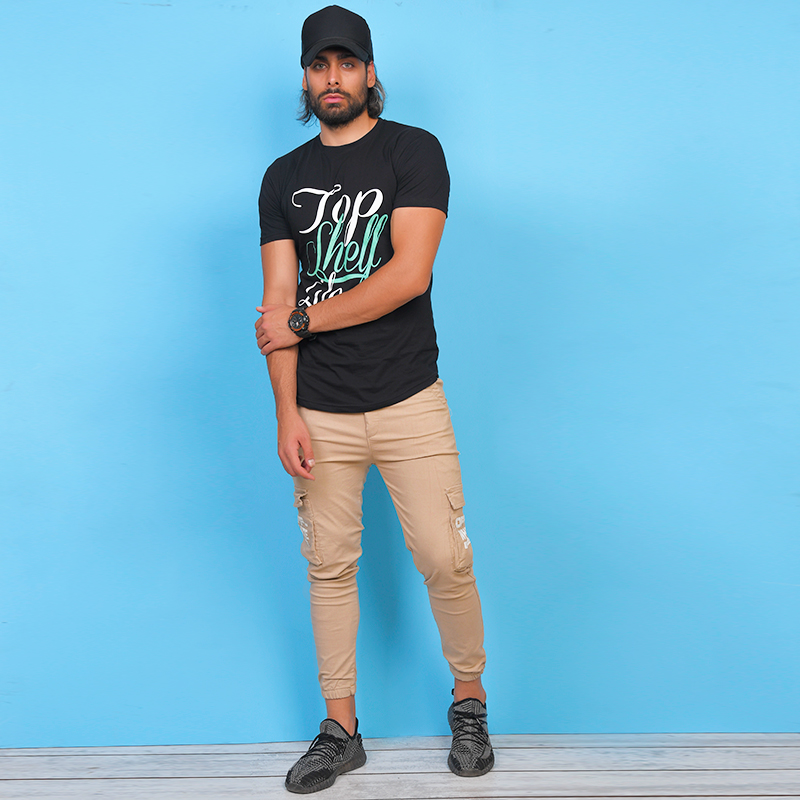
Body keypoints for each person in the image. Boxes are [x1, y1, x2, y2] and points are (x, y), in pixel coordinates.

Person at [255, 5, 494, 793]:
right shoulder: (282, 179)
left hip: (407, 395)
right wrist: (286, 412)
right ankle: (341, 730)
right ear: (305, 78)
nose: (333, 78)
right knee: (328, 567)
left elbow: (408, 276)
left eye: (347, 64)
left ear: (369, 74)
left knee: (444, 557)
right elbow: (276, 306)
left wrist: (302, 319)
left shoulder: (412, 151)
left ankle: (469, 704)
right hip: (319, 407)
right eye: (319, 65)